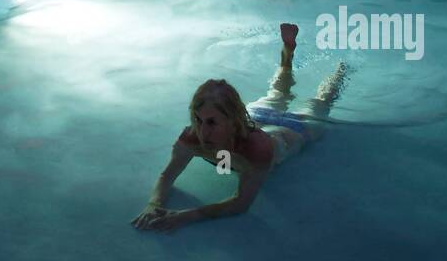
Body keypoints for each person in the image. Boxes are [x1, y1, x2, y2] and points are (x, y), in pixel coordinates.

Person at [132, 24, 349, 231]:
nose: (202, 131)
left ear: (233, 120)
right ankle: (287, 51)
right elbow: (166, 176)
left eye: (212, 122)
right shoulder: (192, 136)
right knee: (278, 92)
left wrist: (186, 216)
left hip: (290, 131)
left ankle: (342, 68)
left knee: (321, 101)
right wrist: (153, 204)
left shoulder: (256, 149)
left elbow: (241, 204)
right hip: (257, 115)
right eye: (197, 119)